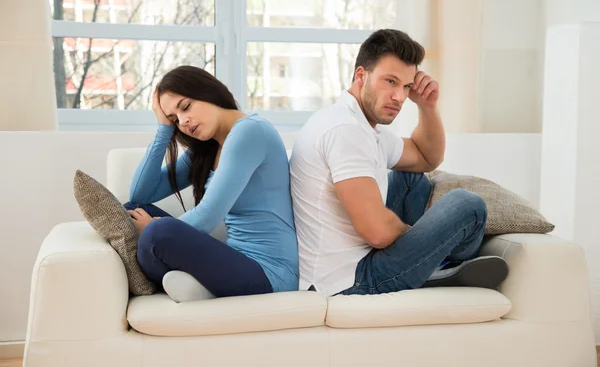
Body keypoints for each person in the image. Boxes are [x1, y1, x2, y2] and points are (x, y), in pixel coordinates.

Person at [289, 29, 508, 297]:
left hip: (353, 263)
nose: (400, 97)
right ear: (361, 75)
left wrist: (427, 106)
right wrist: (424, 237)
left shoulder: (362, 126)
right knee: (469, 205)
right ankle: (437, 266)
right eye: (390, 81)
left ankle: (429, 264)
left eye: (406, 86)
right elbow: (377, 233)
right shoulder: (345, 130)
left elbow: (426, 157)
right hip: (350, 280)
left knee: (410, 179)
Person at [125, 65, 298, 302]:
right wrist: (163, 129)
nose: (183, 122)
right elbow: (140, 194)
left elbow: (207, 217)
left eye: (186, 107)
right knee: (131, 210)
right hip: (236, 259)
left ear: (209, 92)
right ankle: (199, 285)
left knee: (158, 232)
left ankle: (196, 285)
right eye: (175, 119)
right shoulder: (208, 147)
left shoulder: (250, 131)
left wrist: (154, 230)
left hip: (270, 272)